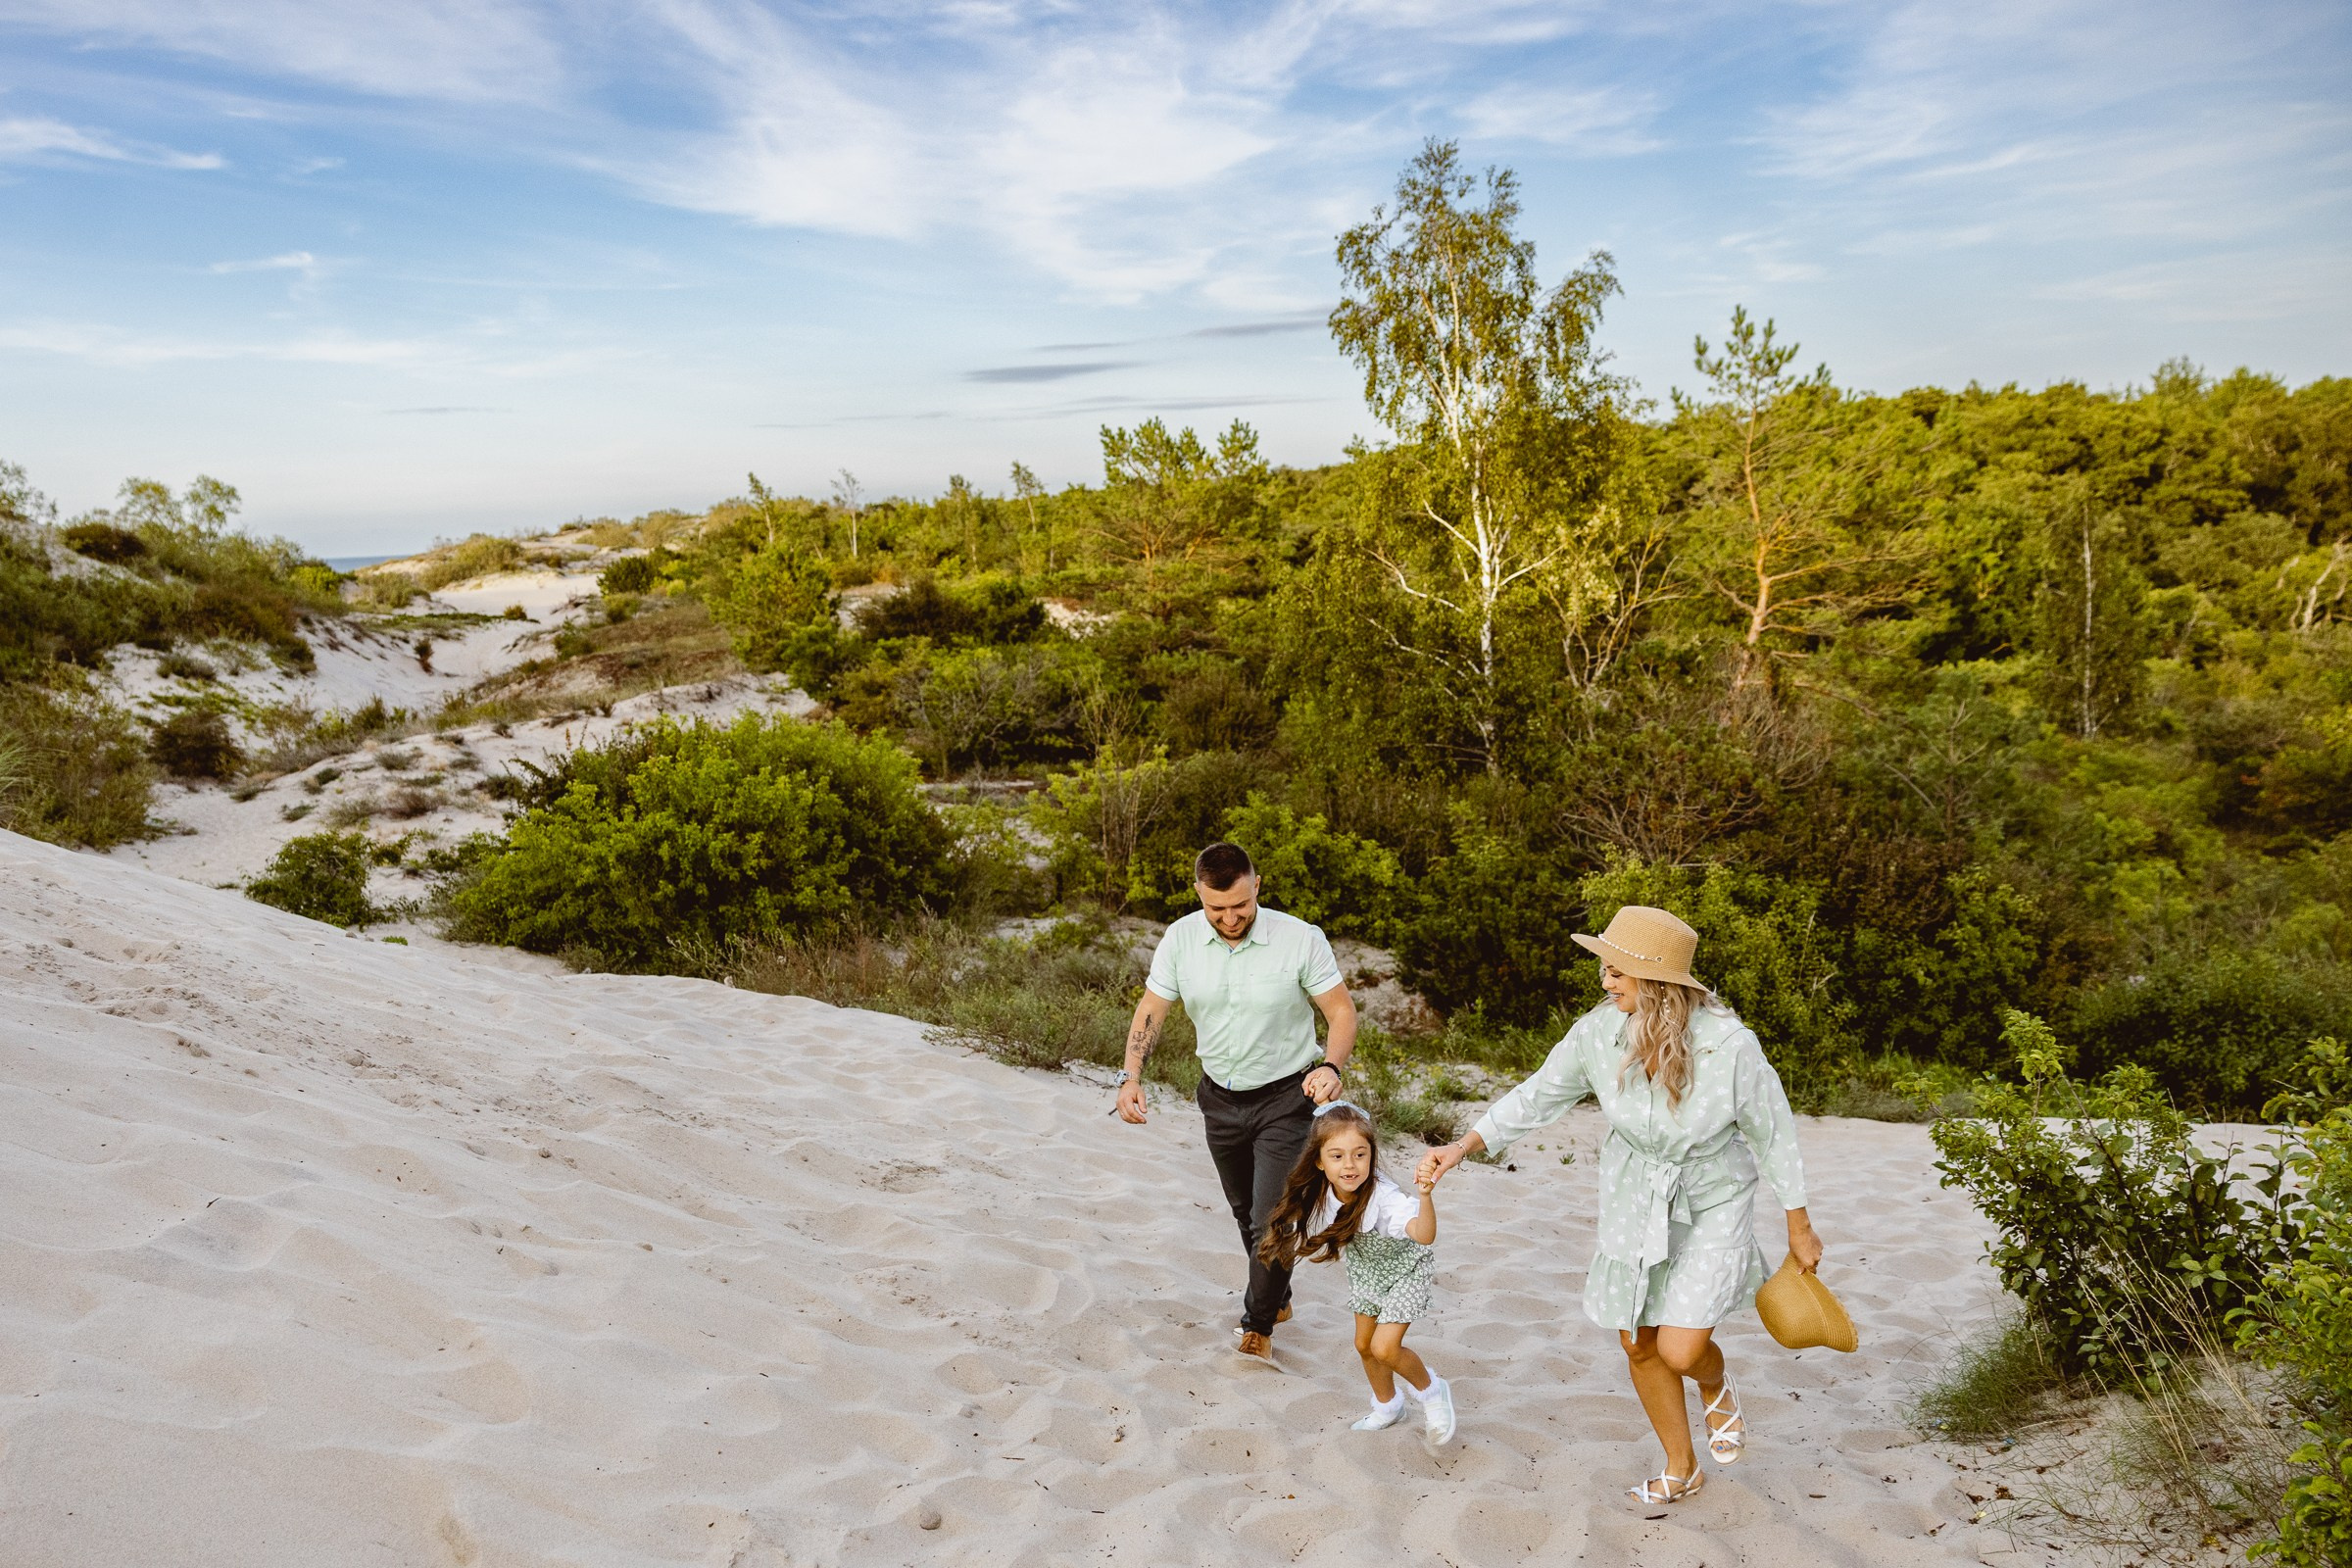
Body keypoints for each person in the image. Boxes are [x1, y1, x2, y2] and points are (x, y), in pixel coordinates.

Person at [1415, 906, 1823, 1506]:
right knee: (1637, 1339)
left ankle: (1715, 1383)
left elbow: (1773, 1132)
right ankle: (1681, 1466)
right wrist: (1465, 1144)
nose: (1604, 983)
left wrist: (1800, 1225)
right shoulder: (1599, 1031)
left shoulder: (1730, 1045)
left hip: (1713, 1194)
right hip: (1633, 1190)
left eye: (1615, 971)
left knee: (1681, 1348)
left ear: (1654, 978)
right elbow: (1540, 1093)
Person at [1115, 842, 1358, 1365]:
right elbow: (1153, 1009)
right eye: (1216, 908)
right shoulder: (1180, 939)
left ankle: (1258, 1325)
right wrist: (1130, 1074)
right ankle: (1279, 1294)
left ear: (1257, 886)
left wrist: (1330, 1067)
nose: (1229, 918)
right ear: (1199, 895)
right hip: (1218, 1099)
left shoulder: (1299, 939)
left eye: (1240, 906)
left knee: (1273, 1217)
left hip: (1287, 1097)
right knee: (1245, 1209)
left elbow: (1341, 1013)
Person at [1257, 1101, 1455, 1446]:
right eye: (1337, 1156)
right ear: (1319, 1161)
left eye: (1360, 1155)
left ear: (1371, 1156)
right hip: (1367, 1270)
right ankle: (1388, 1407)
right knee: (1364, 1345)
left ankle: (1433, 1393)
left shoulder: (1384, 1197)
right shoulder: (1322, 1187)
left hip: (1406, 1269)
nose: (1350, 1165)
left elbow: (1424, 1235)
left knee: (1385, 1348)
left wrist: (1425, 1197)